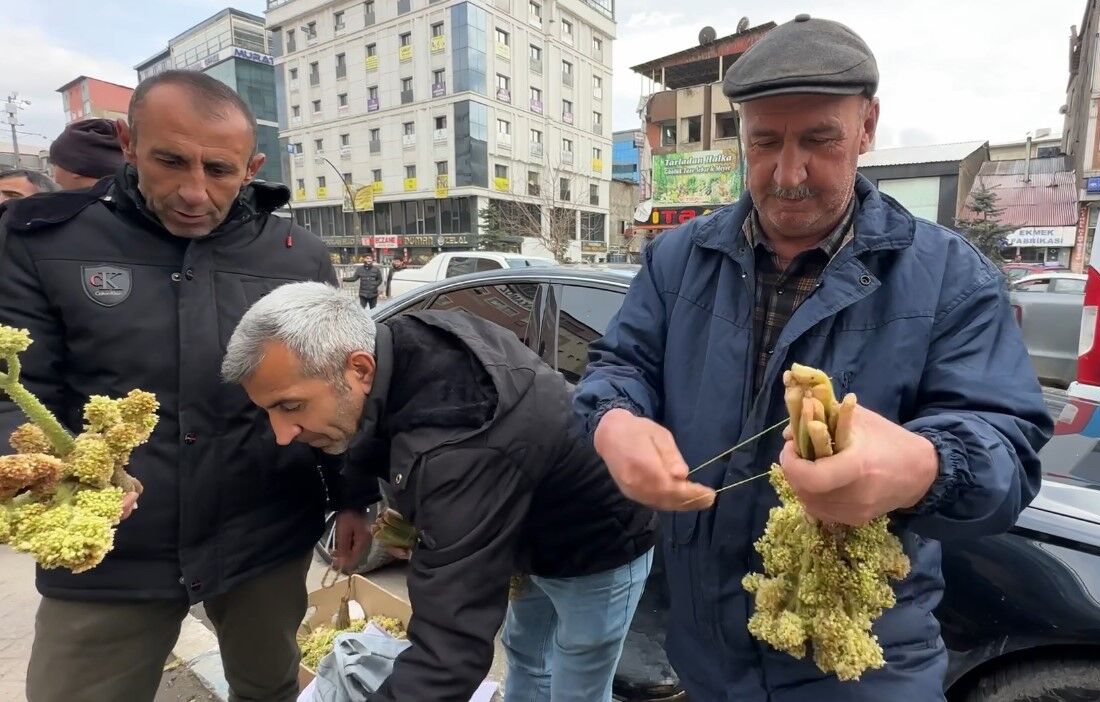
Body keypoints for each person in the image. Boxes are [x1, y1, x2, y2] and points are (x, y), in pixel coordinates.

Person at [573, 15, 1053, 702]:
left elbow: (1006, 452)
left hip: (863, 669)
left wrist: (924, 467)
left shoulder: (953, 278)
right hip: (704, 658)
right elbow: (616, 367)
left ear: (866, 128)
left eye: (819, 141)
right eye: (765, 142)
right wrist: (613, 422)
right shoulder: (677, 260)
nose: (788, 173)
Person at [0, 70, 375, 702]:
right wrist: (41, 480)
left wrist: (353, 498)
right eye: (169, 161)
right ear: (128, 143)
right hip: (114, 554)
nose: (194, 192)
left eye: (221, 170)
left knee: (269, 688)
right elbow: (14, 391)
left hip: (264, 537)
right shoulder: (44, 239)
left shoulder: (295, 252)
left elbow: (333, 388)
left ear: (252, 165)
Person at [221, 281, 658, 702]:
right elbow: (370, 426)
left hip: (598, 539)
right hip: (525, 531)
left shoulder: (460, 442)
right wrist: (353, 502)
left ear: (359, 369)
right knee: (527, 652)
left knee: (579, 678)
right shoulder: (398, 346)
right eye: (270, 410)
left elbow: (448, 649)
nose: (282, 434)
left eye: (291, 407)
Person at [49, 118, 125, 190]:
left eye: (55, 165)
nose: (55, 179)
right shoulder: (130, 197)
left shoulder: (68, 203)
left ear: (76, 165)